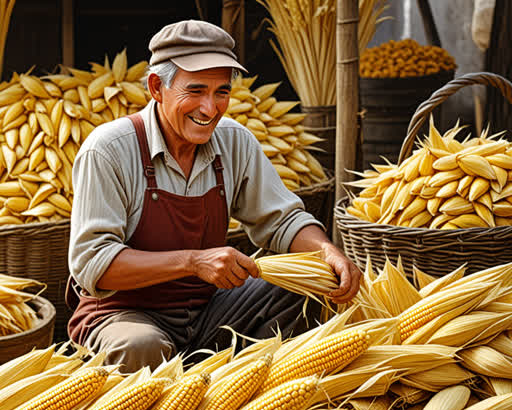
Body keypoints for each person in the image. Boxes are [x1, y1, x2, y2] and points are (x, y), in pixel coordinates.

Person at [66, 19, 361, 372]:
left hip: (207, 310)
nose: (210, 109)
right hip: (124, 315)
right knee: (142, 347)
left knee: (310, 284)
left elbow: (282, 220)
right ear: (157, 87)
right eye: (195, 91)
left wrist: (327, 252)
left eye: (221, 91)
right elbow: (94, 265)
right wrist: (193, 261)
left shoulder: (234, 142)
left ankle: (255, 397)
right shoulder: (110, 150)